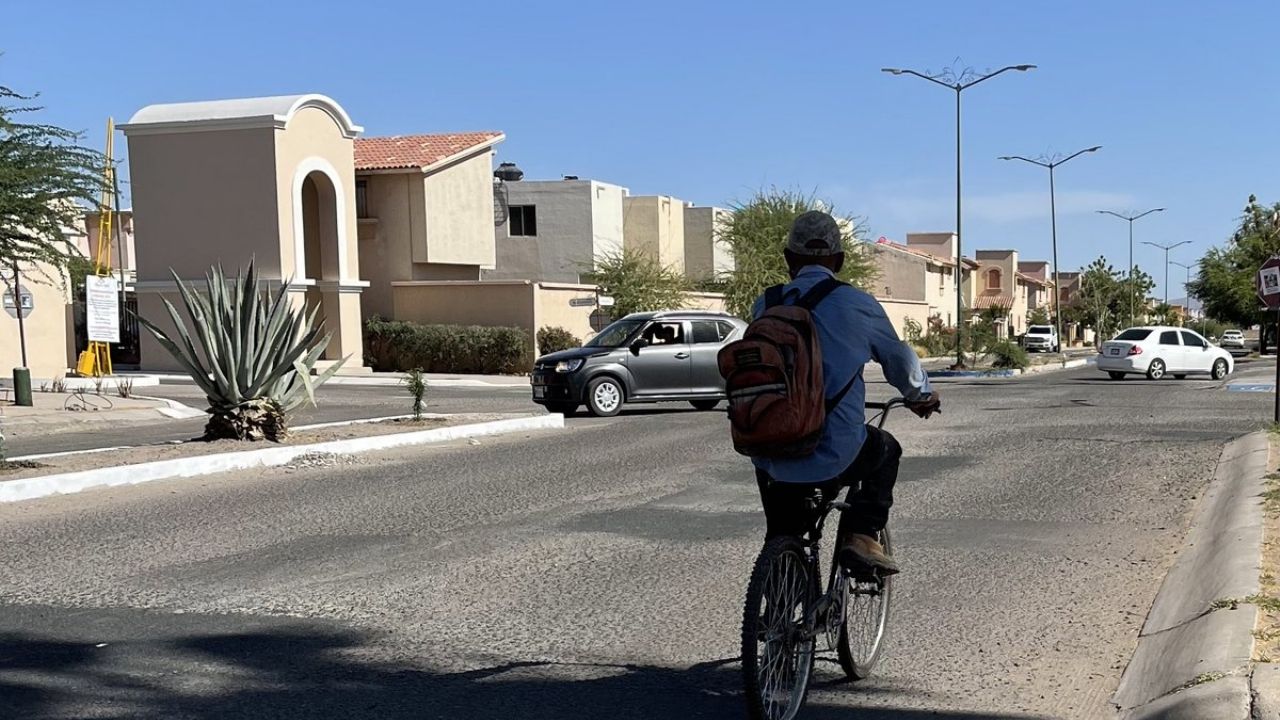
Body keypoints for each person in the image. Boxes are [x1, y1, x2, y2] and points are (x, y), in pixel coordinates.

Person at [752, 210, 939, 575]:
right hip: (834, 450)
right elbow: (898, 359)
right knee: (885, 449)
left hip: (770, 449)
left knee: (784, 529)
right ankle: (861, 535)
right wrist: (921, 396)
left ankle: (778, 584)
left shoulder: (766, 304)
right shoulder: (856, 304)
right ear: (838, 260)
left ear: (789, 258)